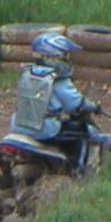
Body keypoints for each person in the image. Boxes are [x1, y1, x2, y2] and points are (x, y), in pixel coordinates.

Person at [9, 31, 101, 165]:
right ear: (54, 57)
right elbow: (74, 105)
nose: (66, 59)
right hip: (44, 129)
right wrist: (93, 106)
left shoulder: (27, 72)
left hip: (17, 124)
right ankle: (78, 172)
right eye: (64, 56)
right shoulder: (58, 79)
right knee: (83, 134)